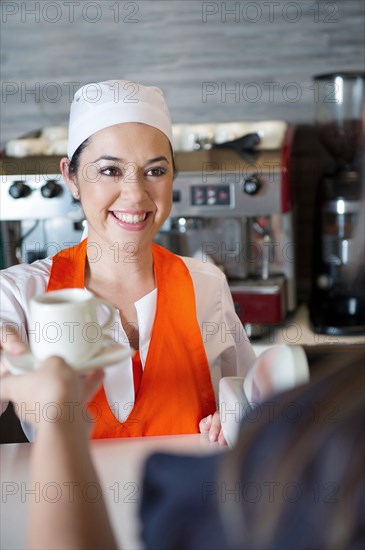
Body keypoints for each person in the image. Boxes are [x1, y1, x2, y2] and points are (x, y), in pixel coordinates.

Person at [0, 80, 256, 442]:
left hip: (187, 497)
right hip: (69, 498)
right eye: (110, 170)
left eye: (155, 171)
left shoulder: (205, 284)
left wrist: (236, 418)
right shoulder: (19, 293)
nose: (136, 194)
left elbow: (251, 398)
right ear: (70, 177)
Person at [1, 345, 363, 549]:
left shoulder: (203, 282)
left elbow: (244, 380)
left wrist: (57, 417)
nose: (135, 204)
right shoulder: (19, 289)